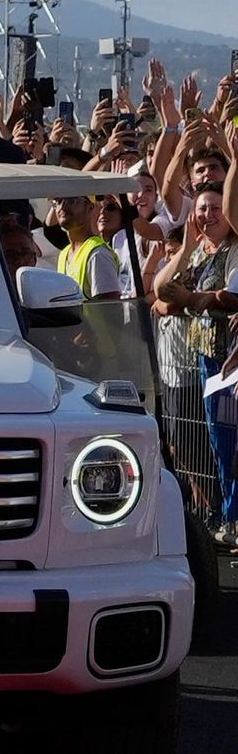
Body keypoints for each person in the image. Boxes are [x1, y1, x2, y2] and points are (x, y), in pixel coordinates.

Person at [155, 181, 238, 535]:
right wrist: (187, 247)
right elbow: (161, 289)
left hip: (230, 358)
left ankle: (233, 517)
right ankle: (227, 517)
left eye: (216, 208)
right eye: (202, 208)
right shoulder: (201, 251)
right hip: (206, 360)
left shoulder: (234, 249)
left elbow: (230, 297)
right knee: (219, 445)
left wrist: (195, 299)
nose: (208, 215)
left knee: (233, 444)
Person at [51, 195, 122, 301]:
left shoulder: (97, 254)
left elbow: (110, 308)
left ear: (90, 208)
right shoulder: (63, 254)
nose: (62, 206)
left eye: (71, 200)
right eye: (58, 201)